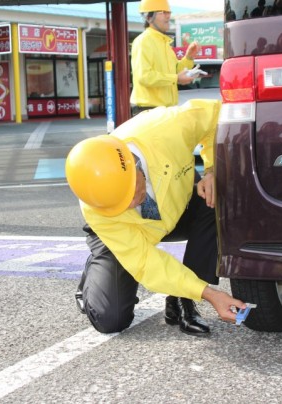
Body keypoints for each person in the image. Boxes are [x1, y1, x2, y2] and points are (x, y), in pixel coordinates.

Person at [65, 99, 247, 336]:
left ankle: (182, 300)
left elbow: (218, 116)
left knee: (218, 196)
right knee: (110, 319)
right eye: (119, 203)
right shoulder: (97, 208)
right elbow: (145, 263)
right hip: (128, 238)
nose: (131, 205)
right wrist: (211, 295)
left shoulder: (165, 128)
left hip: (178, 204)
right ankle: (96, 266)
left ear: (133, 163)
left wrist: (212, 170)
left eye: (130, 192)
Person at [129, 0, 199, 116]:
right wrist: (176, 78)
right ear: (149, 17)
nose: (168, 16)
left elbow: (176, 71)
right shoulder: (143, 41)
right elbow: (144, 76)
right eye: (163, 12)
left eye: (169, 12)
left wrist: (189, 57)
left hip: (166, 110)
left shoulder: (164, 43)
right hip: (148, 111)